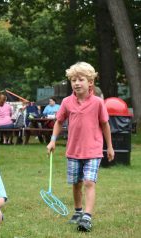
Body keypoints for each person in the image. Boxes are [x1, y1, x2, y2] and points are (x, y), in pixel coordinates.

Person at [47, 62, 114, 232]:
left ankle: (87, 217)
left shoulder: (98, 103)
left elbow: (105, 125)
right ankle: (78, 212)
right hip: (73, 151)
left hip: (93, 150)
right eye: (73, 80)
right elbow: (59, 122)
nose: (76, 83)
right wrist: (53, 140)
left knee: (89, 182)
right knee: (76, 184)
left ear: (90, 82)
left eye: (81, 79)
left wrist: (110, 147)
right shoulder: (67, 102)